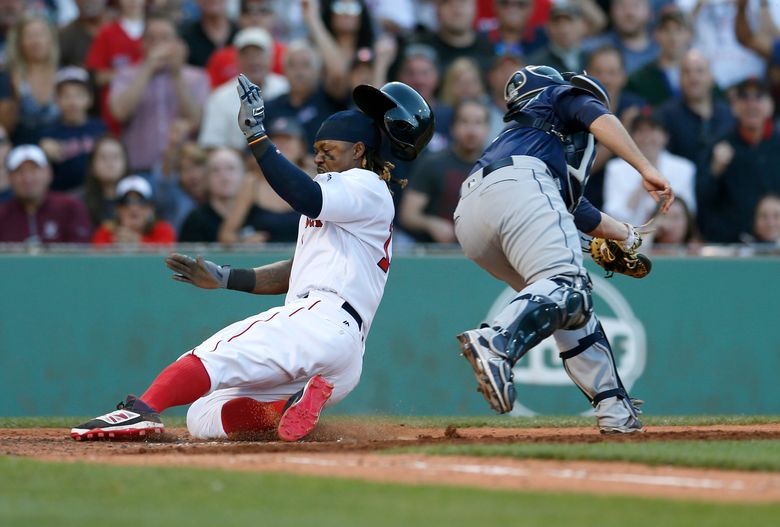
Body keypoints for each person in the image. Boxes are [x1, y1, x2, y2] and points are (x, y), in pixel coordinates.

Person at [70, 75, 433, 442]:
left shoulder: (363, 183)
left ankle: (139, 412)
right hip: (340, 355)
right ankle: (289, 408)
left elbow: (304, 194)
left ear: (358, 150)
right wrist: (228, 278)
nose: (319, 155)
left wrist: (258, 136)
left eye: (329, 148)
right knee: (204, 415)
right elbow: (296, 271)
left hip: (321, 319)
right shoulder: (353, 200)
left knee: (212, 354)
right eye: (316, 148)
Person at [453, 65, 673, 433]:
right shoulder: (560, 96)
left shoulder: (524, 135)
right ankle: (496, 341)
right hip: (520, 184)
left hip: (471, 217)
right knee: (567, 286)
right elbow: (599, 117)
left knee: (570, 308)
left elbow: (579, 210)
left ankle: (614, 410)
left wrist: (627, 236)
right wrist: (645, 167)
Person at [109, 14, 209, 174]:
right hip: (138, 169)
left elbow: (196, 121)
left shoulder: (196, 76)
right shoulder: (125, 76)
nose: (158, 45)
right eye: (151, 39)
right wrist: (147, 69)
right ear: (142, 44)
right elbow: (119, 113)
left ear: (178, 43)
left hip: (183, 172)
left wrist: (176, 75)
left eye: (165, 38)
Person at [696, 77, 780, 243]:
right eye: (744, 98)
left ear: (771, 106)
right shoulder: (718, 146)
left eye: (759, 97)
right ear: (734, 107)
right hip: (734, 245)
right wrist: (714, 171)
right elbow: (702, 201)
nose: (751, 105)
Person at [400, 99, 490, 242]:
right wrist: (431, 224)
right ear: (453, 127)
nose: (471, 130)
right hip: (435, 252)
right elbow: (408, 215)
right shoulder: (432, 163)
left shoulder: (495, 168)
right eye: (465, 122)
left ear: (487, 129)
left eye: (478, 122)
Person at [198, 27, 289, 150]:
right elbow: (211, 144)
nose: (253, 61)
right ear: (237, 60)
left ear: (270, 58)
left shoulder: (285, 88)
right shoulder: (220, 98)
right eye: (246, 55)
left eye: (258, 54)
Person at [603, 110, 696, 227]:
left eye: (653, 130)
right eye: (641, 131)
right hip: (628, 239)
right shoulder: (615, 169)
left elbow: (688, 213)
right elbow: (612, 216)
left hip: (670, 241)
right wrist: (642, 187)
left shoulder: (684, 168)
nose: (647, 138)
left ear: (665, 136)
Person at [0, 144, 92, 243]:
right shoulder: (2, 215)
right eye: (19, 171)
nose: (27, 178)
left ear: (49, 172)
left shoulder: (70, 208)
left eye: (33, 170)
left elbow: (81, 252)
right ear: (9, 177)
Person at [38, 66, 107, 192]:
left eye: (78, 95)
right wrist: (42, 150)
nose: (72, 102)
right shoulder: (49, 133)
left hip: (96, 193)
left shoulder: (99, 127)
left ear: (90, 98)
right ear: (56, 100)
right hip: (63, 195)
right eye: (66, 96)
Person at [0, 12, 61, 145]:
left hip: (61, 151)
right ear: (20, 42)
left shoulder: (63, 75)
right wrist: (15, 97)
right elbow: (5, 128)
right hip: (23, 154)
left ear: (51, 39)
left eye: (41, 34)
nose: (36, 41)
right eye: (30, 36)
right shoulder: (8, 77)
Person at [625, 6, 693, 107]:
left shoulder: (700, 75)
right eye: (666, 30)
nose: (673, 37)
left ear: (690, 34)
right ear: (656, 34)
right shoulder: (640, 79)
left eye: (679, 29)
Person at [92, 175, 176, 246]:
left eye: (141, 201)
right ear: (117, 209)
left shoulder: (163, 230)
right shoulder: (105, 233)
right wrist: (114, 248)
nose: (133, 207)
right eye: (126, 202)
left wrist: (139, 243)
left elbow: (166, 260)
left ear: (150, 209)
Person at [81, 134, 130, 227]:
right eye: (103, 157)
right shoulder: (80, 202)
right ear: (92, 165)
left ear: (126, 163)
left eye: (115, 156)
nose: (109, 162)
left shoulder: (137, 200)